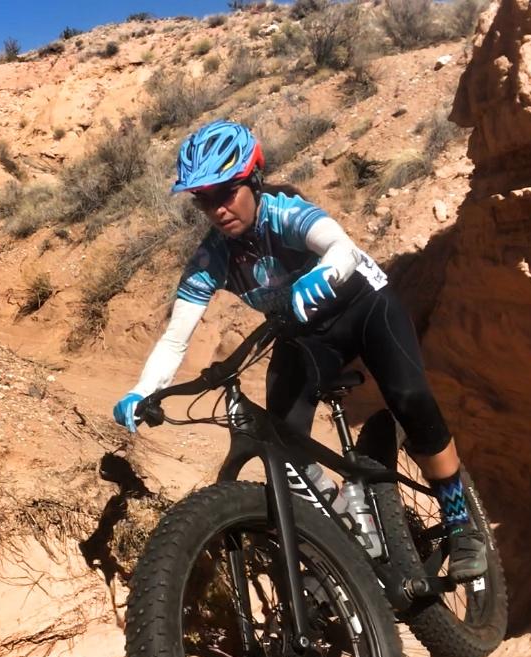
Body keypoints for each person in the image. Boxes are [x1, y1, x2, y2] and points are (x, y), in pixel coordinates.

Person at [111, 120, 486, 581]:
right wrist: (144, 389)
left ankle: (460, 522)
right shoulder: (212, 260)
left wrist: (317, 276)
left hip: (364, 307)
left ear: (253, 181)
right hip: (304, 335)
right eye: (205, 200)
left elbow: (341, 249)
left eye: (226, 192)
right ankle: (343, 522)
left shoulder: (283, 213)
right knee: (284, 442)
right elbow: (175, 338)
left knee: (409, 397)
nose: (217, 209)